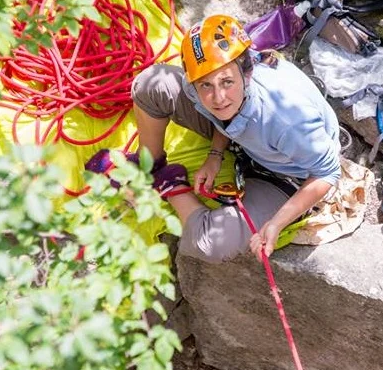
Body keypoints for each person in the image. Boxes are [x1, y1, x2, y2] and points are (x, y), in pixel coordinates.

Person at [129, 14, 341, 262]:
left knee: (208, 244)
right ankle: (148, 167)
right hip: (248, 138)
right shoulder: (207, 87)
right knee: (151, 84)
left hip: (290, 173)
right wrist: (215, 154)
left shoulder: (286, 119)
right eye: (205, 85)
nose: (218, 97)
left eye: (226, 82)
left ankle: (170, 182)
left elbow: (327, 172)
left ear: (247, 73)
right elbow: (225, 110)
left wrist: (276, 223)